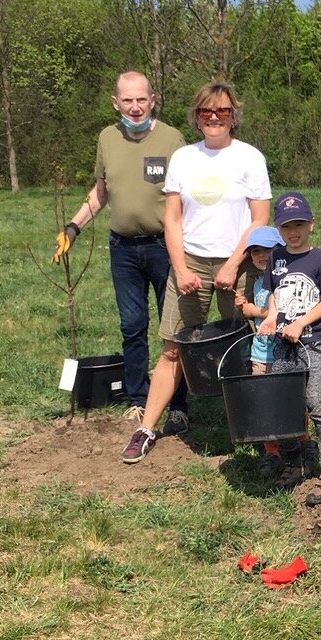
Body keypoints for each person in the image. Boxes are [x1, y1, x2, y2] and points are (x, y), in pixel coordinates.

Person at [123, 81, 272, 463]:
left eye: (222, 111)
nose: (214, 118)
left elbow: (260, 219)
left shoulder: (249, 158)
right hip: (189, 266)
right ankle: (145, 429)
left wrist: (234, 263)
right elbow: (172, 220)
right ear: (197, 116)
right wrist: (180, 267)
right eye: (206, 111)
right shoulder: (185, 159)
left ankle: (257, 428)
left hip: (235, 267)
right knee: (173, 347)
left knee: (248, 347)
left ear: (233, 116)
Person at [53, 71, 190, 431]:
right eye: (127, 100)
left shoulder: (172, 139)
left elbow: (187, 198)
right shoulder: (107, 138)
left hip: (165, 247)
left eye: (141, 99)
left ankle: (178, 405)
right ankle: (137, 400)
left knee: (173, 328)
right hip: (123, 250)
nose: (134, 107)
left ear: (153, 99)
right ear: (116, 103)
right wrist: (73, 227)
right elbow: (101, 192)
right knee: (132, 326)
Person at [258, 191, 321, 505]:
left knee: (317, 403)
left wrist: (300, 323)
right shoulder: (276, 258)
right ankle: (296, 462)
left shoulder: (319, 258)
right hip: (283, 345)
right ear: (278, 229)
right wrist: (271, 317)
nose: (292, 232)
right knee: (286, 406)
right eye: (285, 227)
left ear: (311, 224)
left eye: (298, 224)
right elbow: (273, 293)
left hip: (313, 343)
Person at [235, 225, 288, 476]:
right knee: (263, 401)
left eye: (269, 250)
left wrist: (252, 311)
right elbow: (255, 317)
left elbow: (273, 314)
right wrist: (243, 305)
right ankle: (271, 451)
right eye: (256, 251)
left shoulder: (285, 280)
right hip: (260, 353)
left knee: (292, 399)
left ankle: (301, 443)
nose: (262, 255)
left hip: (283, 352)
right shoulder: (257, 284)